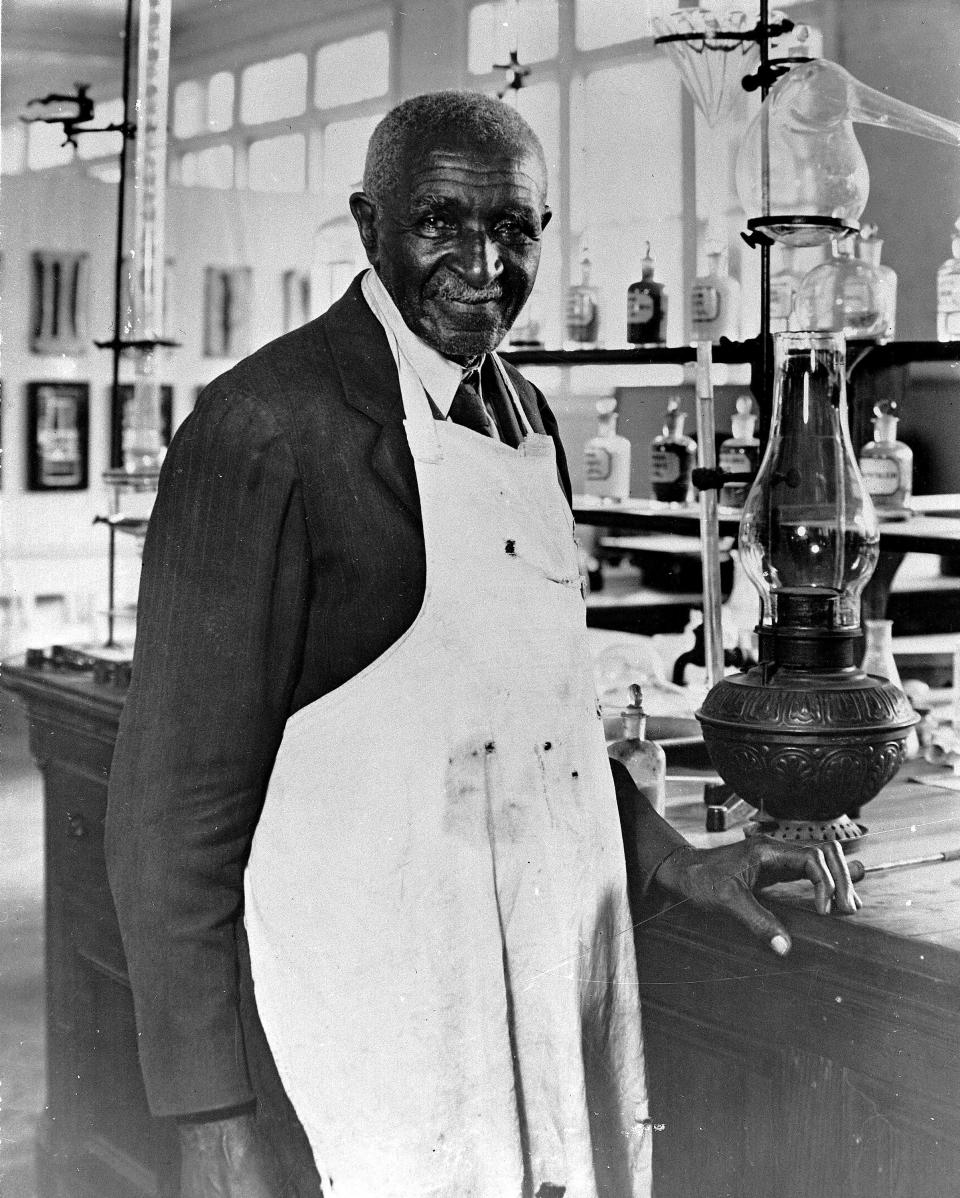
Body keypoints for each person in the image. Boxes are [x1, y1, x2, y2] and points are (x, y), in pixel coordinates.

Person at [106, 91, 860, 1198]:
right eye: (440, 222)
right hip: (366, 1043)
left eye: (515, 228)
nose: (482, 262)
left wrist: (674, 861)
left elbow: (534, 721)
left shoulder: (529, 420)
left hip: (540, 1016)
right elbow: (167, 813)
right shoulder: (265, 428)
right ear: (369, 227)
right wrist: (210, 1116)